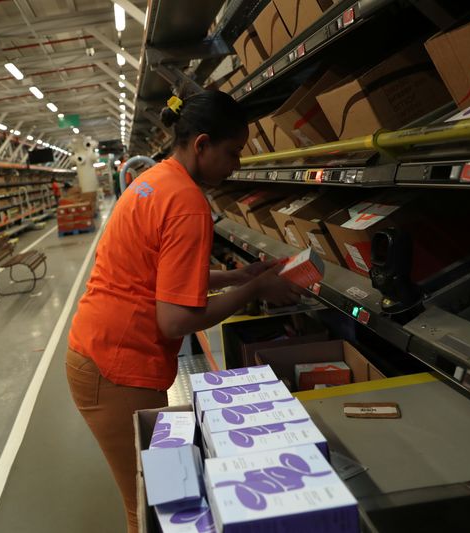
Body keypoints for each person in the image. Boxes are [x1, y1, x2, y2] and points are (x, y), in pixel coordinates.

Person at [65, 91, 303, 532]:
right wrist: (256, 286)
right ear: (202, 145)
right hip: (118, 367)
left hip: (100, 353)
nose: (236, 165)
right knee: (152, 504)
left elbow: (160, 272)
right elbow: (174, 320)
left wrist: (236, 276)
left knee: (156, 494)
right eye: (232, 153)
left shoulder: (155, 180)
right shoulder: (188, 203)